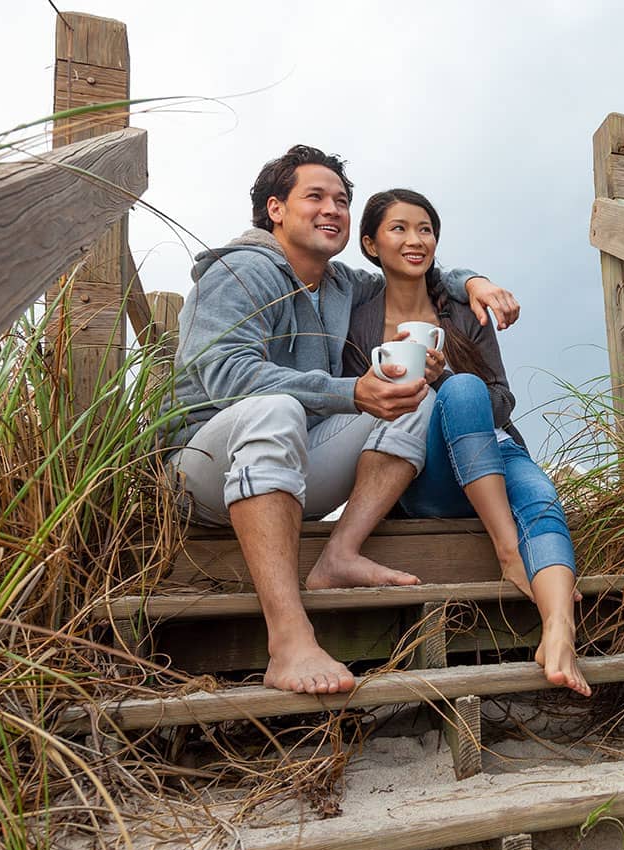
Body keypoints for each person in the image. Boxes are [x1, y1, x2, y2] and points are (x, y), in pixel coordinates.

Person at [161, 146, 520, 696]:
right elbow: (224, 374)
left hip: (294, 468)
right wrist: (349, 391)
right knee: (277, 408)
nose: (333, 208)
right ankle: (289, 639)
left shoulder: (341, 283)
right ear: (275, 209)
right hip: (203, 473)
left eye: (342, 200)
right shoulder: (238, 271)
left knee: (411, 391)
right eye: (316, 196)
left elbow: (418, 270)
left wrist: (475, 282)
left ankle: (339, 554)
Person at [344, 189, 590, 697]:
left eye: (425, 229)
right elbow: (360, 414)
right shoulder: (356, 312)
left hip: (493, 449)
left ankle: (559, 630)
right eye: (399, 229)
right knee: (457, 389)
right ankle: (507, 548)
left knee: (540, 498)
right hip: (425, 475)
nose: (415, 240)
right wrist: (431, 389)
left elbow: (502, 398)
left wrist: (454, 383)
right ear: (370, 243)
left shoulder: (461, 310)